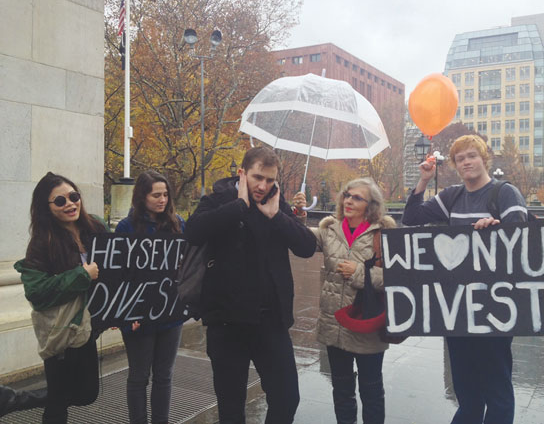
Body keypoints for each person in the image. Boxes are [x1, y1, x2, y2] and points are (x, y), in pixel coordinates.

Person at [185, 146, 316, 424]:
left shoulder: (275, 204)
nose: (263, 186)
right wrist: (239, 206)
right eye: (258, 178)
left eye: (270, 180)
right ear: (242, 173)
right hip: (227, 322)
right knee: (231, 408)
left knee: (286, 398)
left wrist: (277, 216)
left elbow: (307, 246)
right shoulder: (219, 198)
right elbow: (193, 231)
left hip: (270, 322)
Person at [402, 135, 528, 424]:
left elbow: (523, 245)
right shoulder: (452, 197)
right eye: (460, 158)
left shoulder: (505, 194)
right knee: (466, 392)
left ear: (484, 159)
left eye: (472, 155)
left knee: (497, 391)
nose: (466, 162)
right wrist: (423, 180)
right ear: (456, 165)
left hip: (495, 307)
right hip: (458, 309)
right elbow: (411, 218)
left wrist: (496, 229)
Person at [294, 177, 395, 424]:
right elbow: (300, 242)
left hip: (366, 323)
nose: (348, 200)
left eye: (357, 197)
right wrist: (298, 215)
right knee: (341, 390)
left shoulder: (385, 233)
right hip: (333, 323)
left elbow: (398, 276)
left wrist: (359, 273)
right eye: (347, 195)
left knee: (371, 389)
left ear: (370, 204)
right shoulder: (330, 229)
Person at [14, 172, 107, 424]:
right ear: (46, 208)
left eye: (73, 196)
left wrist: (122, 311)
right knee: (58, 404)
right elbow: (36, 292)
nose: (70, 204)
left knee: (87, 393)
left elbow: (117, 270)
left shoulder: (95, 228)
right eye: (60, 201)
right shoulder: (42, 242)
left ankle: (14, 400)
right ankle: (15, 400)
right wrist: (81, 276)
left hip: (88, 325)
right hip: (60, 327)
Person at [115, 170, 185, 424]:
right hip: (138, 315)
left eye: (165, 194)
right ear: (142, 196)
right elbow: (119, 275)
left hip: (170, 312)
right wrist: (125, 314)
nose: (162, 200)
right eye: (156, 195)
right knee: (139, 375)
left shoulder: (178, 222)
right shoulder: (127, 226)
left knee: (164, 375)